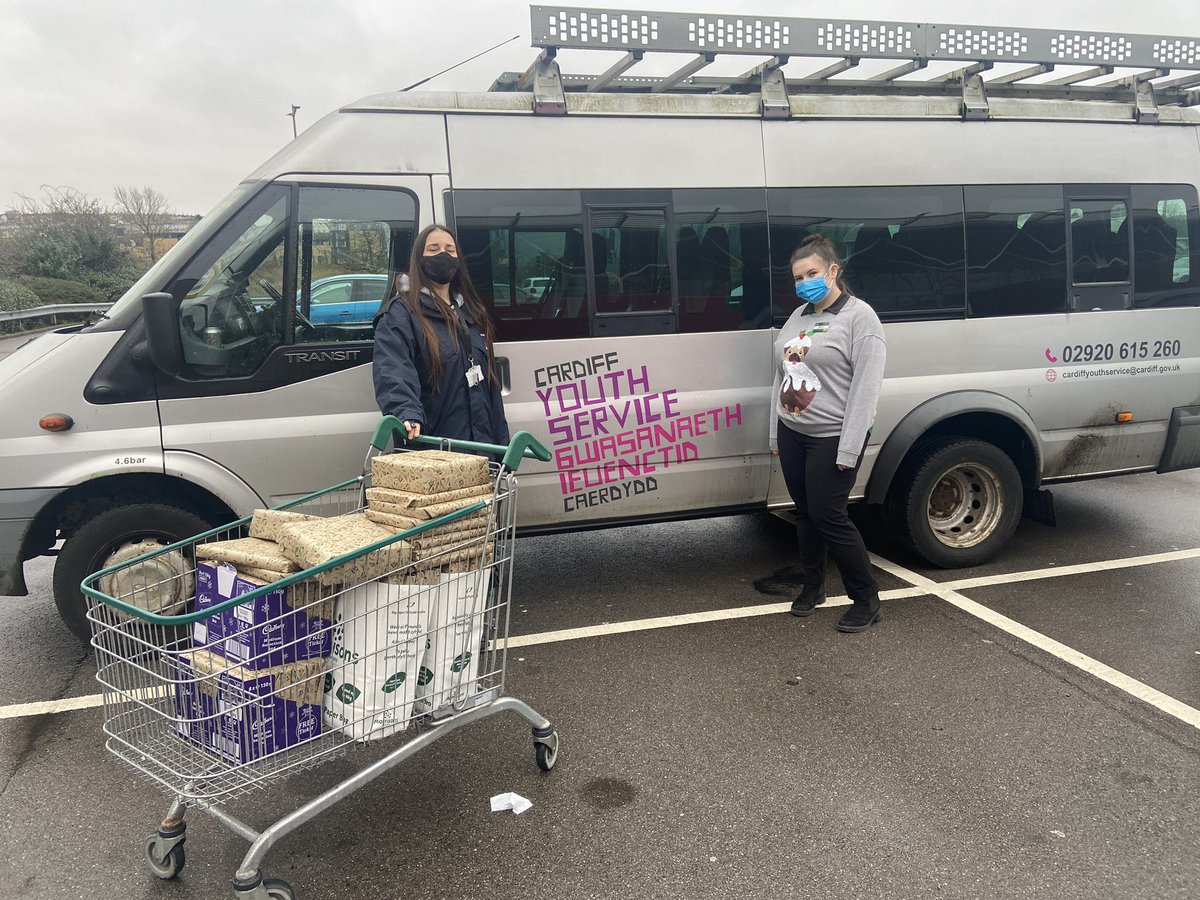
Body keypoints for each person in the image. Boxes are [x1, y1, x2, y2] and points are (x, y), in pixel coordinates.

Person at [769, 234, 886, 633]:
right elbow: (782, 374)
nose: (804, 283)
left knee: (829, 515)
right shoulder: (798, 316)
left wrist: (849, 448)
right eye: (798, 277)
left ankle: (866, 598)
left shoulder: (860, 318)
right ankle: (813, 586)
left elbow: (866, 390)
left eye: (812, 273)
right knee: (804, 514)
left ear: (833, 271)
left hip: (832, 437)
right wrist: (775, 432)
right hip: (793, 432)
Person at [373, 224, 509, 449]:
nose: (443, 255)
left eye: (450, 249)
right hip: (434, 452)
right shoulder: (401, 313)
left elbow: (489, 389)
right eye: (433, 249)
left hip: (482, 450)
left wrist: (503, 447)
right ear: (419, 258)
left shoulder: (472, 312)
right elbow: (393, 370)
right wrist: (406, 412)